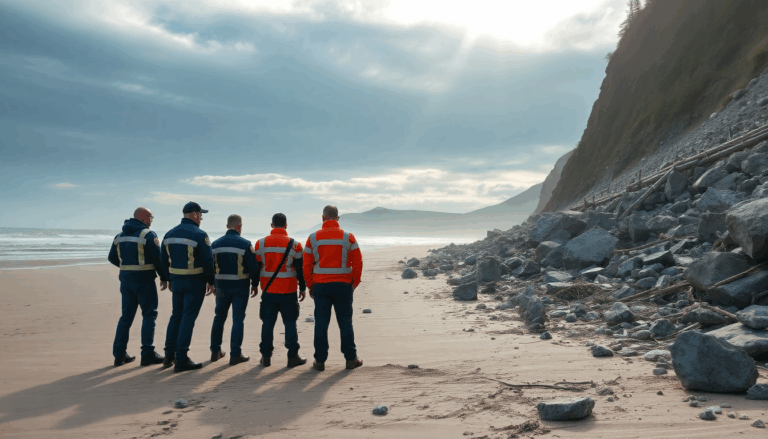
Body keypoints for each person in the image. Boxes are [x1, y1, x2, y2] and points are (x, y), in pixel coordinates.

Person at [303, 205, 363, 371]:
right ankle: (351, 359)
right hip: (343, 286)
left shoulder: (313, 238)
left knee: (321, 324)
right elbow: (358, 263)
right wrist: (354, 283)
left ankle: (319, 361)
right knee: (345, 322)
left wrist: (310, 285)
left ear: (323, 218)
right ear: (338, 218)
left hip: (321, 287)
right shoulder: (348, 237)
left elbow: (306, 265)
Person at [107, 207, 167, 367]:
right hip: (145, 281)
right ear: (144, 217)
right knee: (149, 315)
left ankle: (119, 355)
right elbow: (157, 259)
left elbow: (112, 257)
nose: (151, 220)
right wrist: (164, 277)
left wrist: (127, 268)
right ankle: (147, 354)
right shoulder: (148, 235)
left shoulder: (119, 236)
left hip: (126, 281)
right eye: (151, 217)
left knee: (126, 317)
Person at [160, 201, 215, 372]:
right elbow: (207, 260)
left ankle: (169, 355)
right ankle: (181, 358)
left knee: (176, 316)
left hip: (176, 282)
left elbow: (163, 259)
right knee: (188, 318)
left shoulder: (169, 234)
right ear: (195, 214)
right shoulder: (200, 234)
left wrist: (166, 278)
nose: (201, 218)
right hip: (194, 282)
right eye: (201, 215)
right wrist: (211, 281)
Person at [253, 213, 308, 368]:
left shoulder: (260, 244)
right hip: (288, 291)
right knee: (290, 323)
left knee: (267, 324)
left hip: (268, 291)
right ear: (286, 225)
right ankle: (292, 356)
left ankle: (266, 357)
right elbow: (300, 269)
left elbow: (256, 268)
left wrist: (254, 285)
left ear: (271, 225)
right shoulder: (295, 245)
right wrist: (302, 287)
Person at [209, 214, 259, 366]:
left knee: (219, 318)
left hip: (221, 286)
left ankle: (215, 351)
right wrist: (255, 284)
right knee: (237, 319)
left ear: (227, 226)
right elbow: (253, 266)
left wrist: (211, 283)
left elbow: (210, 265)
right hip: (240, 286)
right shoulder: (245, 244)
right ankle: (235, 354)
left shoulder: (215, 244)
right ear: (240, 226)